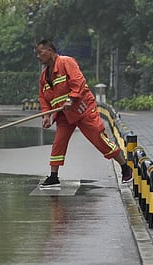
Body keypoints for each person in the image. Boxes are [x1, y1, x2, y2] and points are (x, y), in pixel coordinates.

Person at [35, 39, 133, 188]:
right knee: (58, 144)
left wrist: (71, 100)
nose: (38, 56)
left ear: (50, 51)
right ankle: (54, 176)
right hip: (64, 115)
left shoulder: (66, 62)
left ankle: (125, 167)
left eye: (40, 52)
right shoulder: (44, 76)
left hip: (82, 109)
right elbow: (43, 97)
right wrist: (46, 115)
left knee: (98, 138)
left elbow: (78, 82)